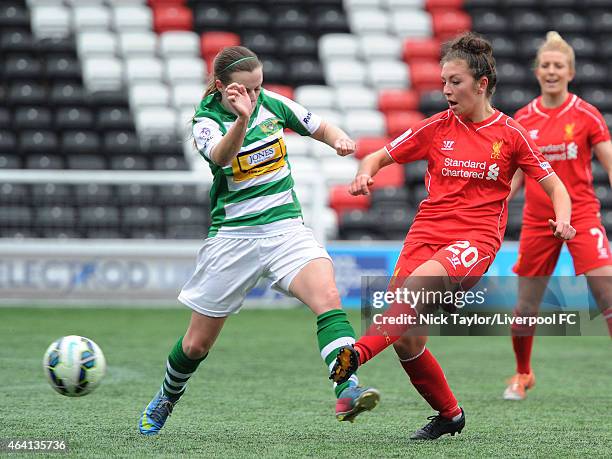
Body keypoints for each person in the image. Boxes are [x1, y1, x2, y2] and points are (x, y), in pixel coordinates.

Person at [329, 32, 576, 440]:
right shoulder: (437, 126)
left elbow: (555, 186)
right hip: (424, 234)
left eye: (455, 81)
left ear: (481, 84)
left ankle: (355, 354)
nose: (445, 90)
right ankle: (449, 415)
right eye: (443, 81)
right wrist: (364, 172)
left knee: (413, 290)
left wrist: (563, 219)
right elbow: (379, 155)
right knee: (407, 340)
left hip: (474, 242)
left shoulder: (511, 134)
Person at [138, 46, 379, 435]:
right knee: (197, 345)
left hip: (286, 230)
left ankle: (346, 388)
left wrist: (339, 140)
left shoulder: (272, 103)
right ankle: (166, 395)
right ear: (220, 87)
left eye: (258, 87)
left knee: (329, 299)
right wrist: (242, 119)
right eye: (245, 90)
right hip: (234, 239)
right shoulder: (206, 120)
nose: (254, 96)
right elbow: (220, 157)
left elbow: (320, 126)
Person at [503, 31, 612, 401]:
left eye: (558, 66)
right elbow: (515, 176)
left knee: (607, 295)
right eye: (546, 65)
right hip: (537, 220)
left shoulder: (586, 115)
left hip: (581, 215)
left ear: (571, 72)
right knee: (525, 305)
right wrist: (497, 203)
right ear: (537, 71)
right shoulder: (522, 119)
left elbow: (609, 164)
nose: (552, 71)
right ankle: (522, 374)